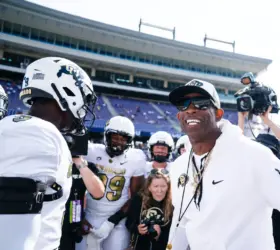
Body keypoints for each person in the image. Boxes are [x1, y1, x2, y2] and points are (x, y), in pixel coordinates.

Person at [167, 79, 280, 250]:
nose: (191, 109)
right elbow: (182, 221)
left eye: (201, 104)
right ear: (178, 116)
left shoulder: (252, 154)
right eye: (183, 105)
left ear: (218, 114)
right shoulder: (179, 166)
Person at [0, 57, 97, 250]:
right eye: (83, 99)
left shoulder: (12, 126)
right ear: (68, 92)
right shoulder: (40, 135)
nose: (83, 109)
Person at [76, 116, 146, 250]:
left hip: (118, 218)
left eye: (123, 139)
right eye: (114, 137)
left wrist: (112, 221)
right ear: (106, 136)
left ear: (130, 141)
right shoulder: (91, 151)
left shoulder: (135, 158)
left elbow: (137, 196)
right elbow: (76, 187)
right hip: (90, 214)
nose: (118, 142)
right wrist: (80, 216)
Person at [126, 169, 173, 250]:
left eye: (163, 186)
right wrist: (137, 229)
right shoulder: (139, 200)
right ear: (149, 187)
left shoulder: (173, 204)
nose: (159, 190)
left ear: (168, 187)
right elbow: (128, 223)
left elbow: (175, 232)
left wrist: (160, 235)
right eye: (155, 186)